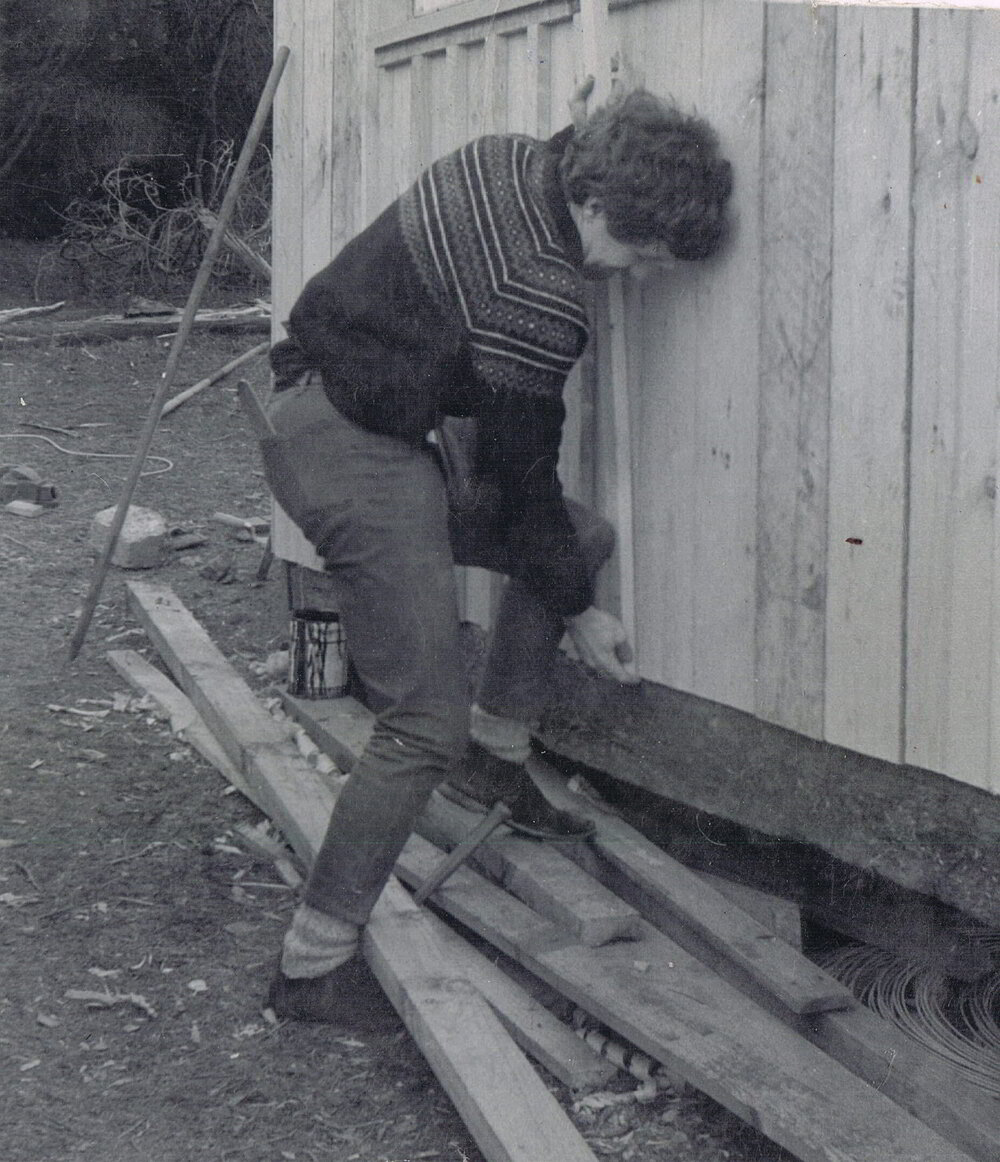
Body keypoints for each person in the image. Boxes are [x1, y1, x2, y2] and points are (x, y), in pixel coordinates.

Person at [260, 84, 733, 1026]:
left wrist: (566, 572)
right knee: (418, 722)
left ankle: (496, 762)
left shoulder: (510, 157)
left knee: (580, 538)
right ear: (596, 205)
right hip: (345, 441)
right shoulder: (542, 294)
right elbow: (520, 481)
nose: (634, 278)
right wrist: (584, 613)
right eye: (636, 255)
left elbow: (504, 455)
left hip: (376, 417)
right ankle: (311, 966)